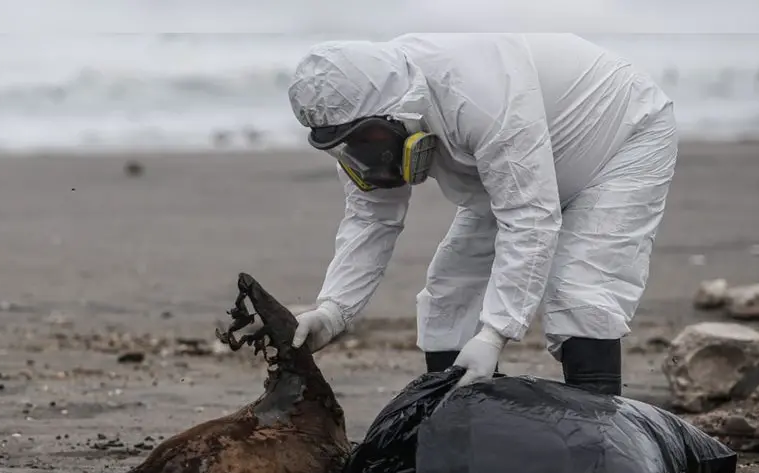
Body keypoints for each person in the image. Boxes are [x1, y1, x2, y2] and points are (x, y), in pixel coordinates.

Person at [286, 33, 678, 394]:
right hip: (521, 166)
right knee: (451, 289)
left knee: (581, 292)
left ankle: (601, 440)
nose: (359, 156)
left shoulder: (475, 97)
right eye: (342, 146)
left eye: (365, 140)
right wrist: (333, 311)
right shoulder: (359, 118)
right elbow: (372, 220)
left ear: (398, 110)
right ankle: (456, 426)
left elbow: (529, 217)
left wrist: (494, 335)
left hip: (621, 138)